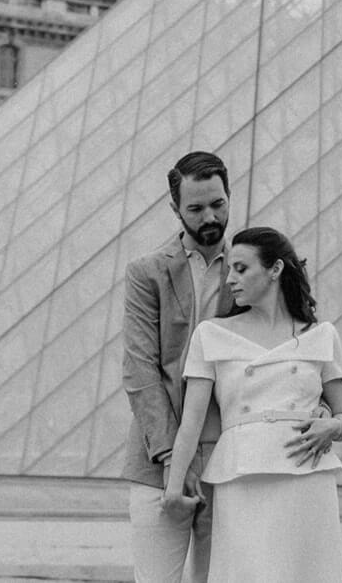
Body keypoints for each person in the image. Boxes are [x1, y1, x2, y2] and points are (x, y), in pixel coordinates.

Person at [162, 227, 342, 583]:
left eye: (241, 269)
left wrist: (334, 425)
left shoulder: (322, 335)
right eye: (230, 269)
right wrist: (173, 490)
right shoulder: (212, 334)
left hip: (307, 476)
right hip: (242, 474)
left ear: (275, 269)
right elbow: (192, 421)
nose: (230, 279)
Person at [121, 151, 237, 583]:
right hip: (158, 461)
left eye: (218, 204)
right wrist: (174, 456)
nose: (210, 216)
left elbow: (287, 345)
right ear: (175, 209)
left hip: (228, 458)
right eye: (196, 208)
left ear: (229, 196)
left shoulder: (251, 268)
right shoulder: (146, 272)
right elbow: (140, 371)